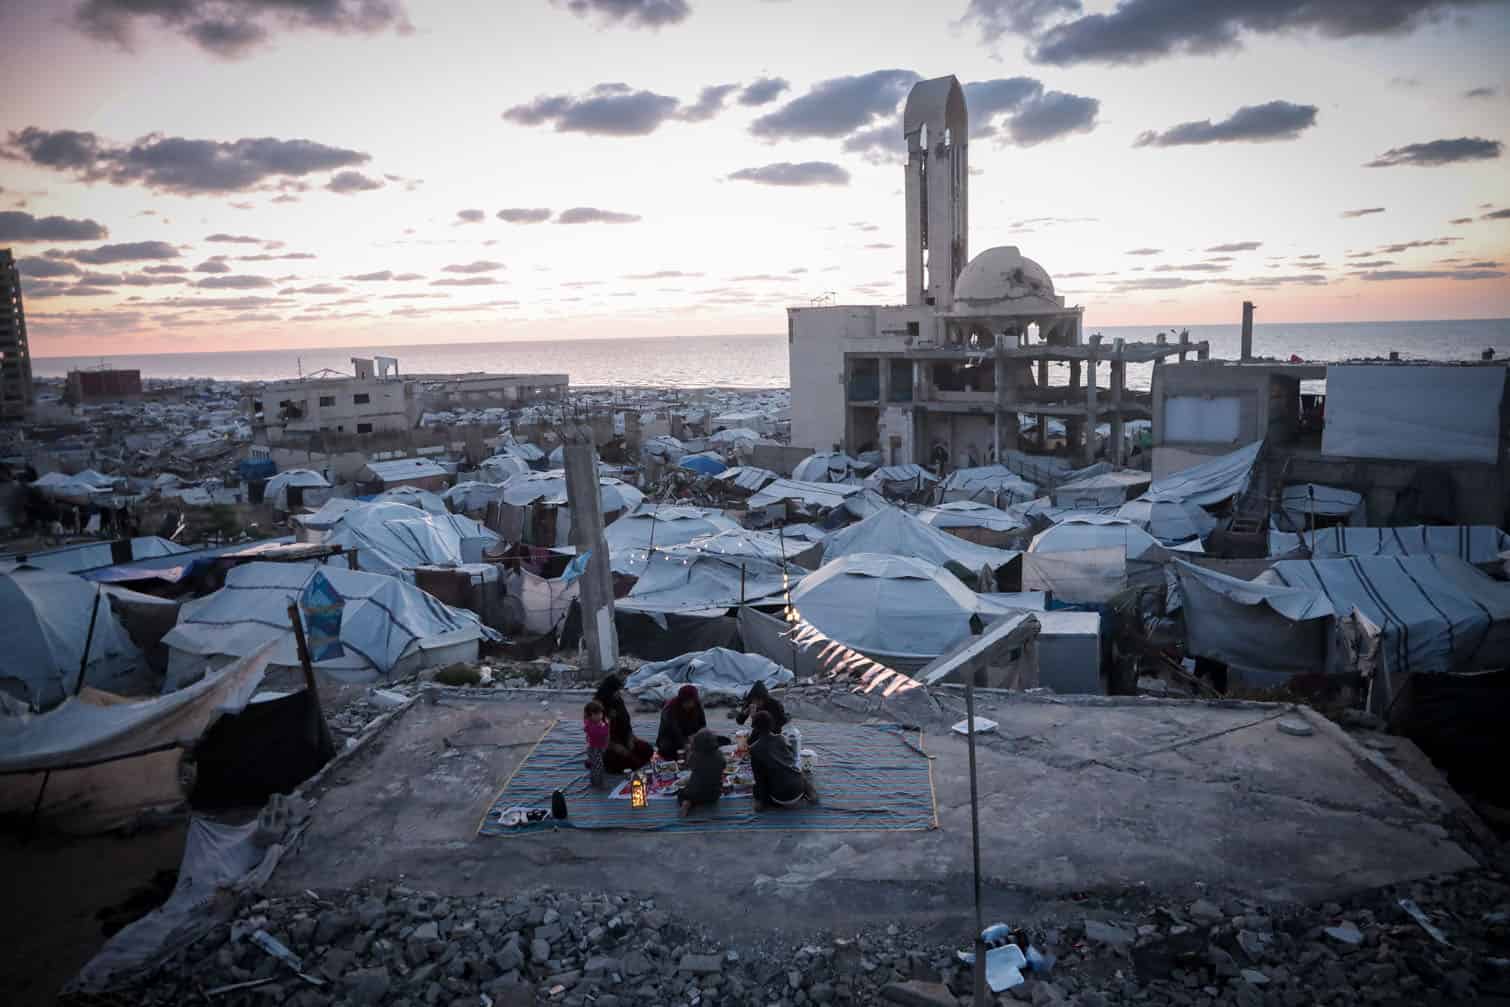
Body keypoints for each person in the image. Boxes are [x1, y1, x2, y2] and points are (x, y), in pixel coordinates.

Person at [748, 710, 815, 811]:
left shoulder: (754, 749)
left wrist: (760, 799)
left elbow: (759, 779)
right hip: (798, 790)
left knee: (757, 787)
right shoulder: (781, 738)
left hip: (779, 797)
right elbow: (792, 757)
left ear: (755, 728)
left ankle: (763, 804)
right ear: (772, 725)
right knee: (798, 773)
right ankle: (810, 792)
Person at [593, 674, 652, 774]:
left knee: (647, 750)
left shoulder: (618, 701)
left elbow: (626, 721)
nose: (618, 693)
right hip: (609, 745)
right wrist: (614, 746)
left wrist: (631, 738)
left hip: (623, 738)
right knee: (628, 762)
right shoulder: (597, 707)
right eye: (616, 691)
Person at [677, 728, 725, 817]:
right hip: (713, 795)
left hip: (695, 793)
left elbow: (689, 765)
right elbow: (723, 766)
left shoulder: (694, 756)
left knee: (681, 793)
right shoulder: (719, 755)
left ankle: (686, 803)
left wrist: (690, 748)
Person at [656, 684, 707, 760]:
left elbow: (703, 724)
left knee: (713, 741)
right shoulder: (670, 709)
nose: (689, 704)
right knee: (666, 749)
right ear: (681, 700)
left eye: (691, 701)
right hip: (672, 739)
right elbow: (674, 731)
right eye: (686, 702)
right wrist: (685, 744)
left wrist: (695, 736)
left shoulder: (697, 705)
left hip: (691, 736)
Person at [582, 700, 610, 789]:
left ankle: (590, 762)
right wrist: (606, 727)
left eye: (601, 713)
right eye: (597, 714)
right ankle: (596, 783)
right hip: (594, 748)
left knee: (600, 761)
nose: (600, 716)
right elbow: (599, 733)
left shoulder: (601, 721)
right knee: (597, 766)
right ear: (591, 715)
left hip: (602, 746)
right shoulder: (590, 725)